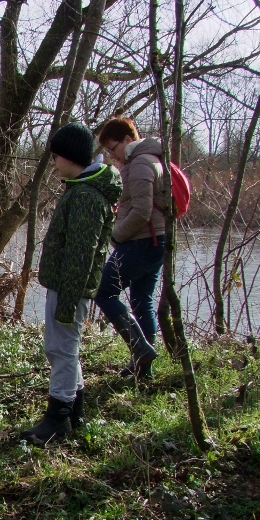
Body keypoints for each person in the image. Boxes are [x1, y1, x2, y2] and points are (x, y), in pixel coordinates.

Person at [21, 122, 122, 446]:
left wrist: (67, 300)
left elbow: (81, 254)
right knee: (65, 348)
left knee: (61, 349)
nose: (53, 163)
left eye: (55, 156)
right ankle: (75, 411)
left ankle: (58, 417)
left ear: (70, 156)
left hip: (70, 289)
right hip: (66, 286)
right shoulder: (80, 189)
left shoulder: (87, 196)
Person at [94, 117, 165, 379]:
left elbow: (141, 212)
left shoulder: (140, 163)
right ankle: (144, 370)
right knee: (141, 300)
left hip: (143, 241)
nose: (112, 155)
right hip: (154, 241)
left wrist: (115, 236)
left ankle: (140, 349)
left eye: (113, 148)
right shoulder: (149, 159)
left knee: (103, 291)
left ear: (127, 139)